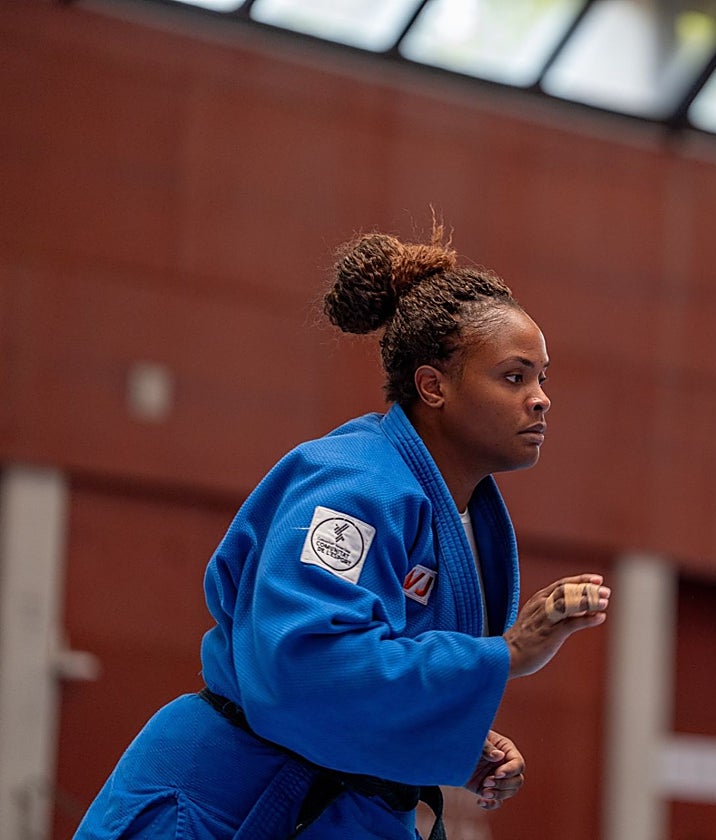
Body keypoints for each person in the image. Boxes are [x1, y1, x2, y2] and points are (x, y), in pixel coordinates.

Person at [76, 224, 611, 839]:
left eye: (543, 378)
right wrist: (505, 654)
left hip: (329, 809)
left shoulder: (454, 511)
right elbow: (306, 665)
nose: (541, 399)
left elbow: (373, 678)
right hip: (219, 807)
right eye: (515, 377)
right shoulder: (353, 486)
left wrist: (452, 741)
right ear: (433, 386)